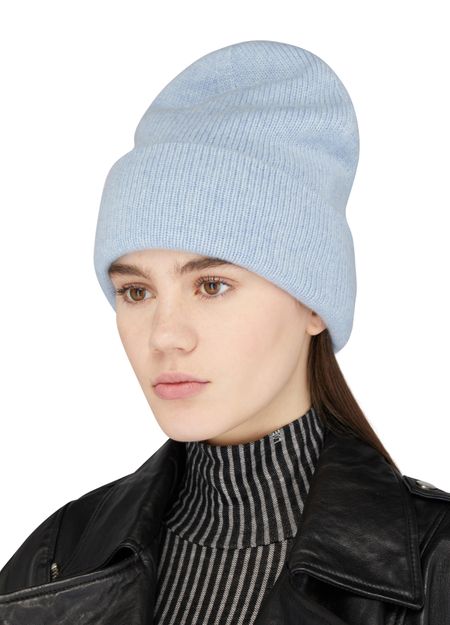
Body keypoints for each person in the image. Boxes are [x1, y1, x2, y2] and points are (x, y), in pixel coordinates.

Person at [0, 39, 449, 625]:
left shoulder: (435, 566)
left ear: (314, 304)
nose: (165, 336)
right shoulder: (62, 556)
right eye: (136, 291)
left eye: (211, 285)